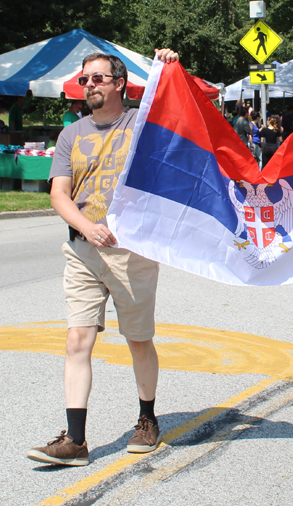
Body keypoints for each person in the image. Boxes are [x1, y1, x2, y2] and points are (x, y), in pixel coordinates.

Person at [27, 48, 179, 467]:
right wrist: (88, 226)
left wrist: (167, 64)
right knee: (79, 338)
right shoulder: (70, 135)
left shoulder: (140, 125)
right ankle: (75, 440)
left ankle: (147, 420)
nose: (89, 85)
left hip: (132, 254)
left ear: (119, 84)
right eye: (85, 80)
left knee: (138, 340)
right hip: (82, 249)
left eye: (98, 78)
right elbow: (59, 193)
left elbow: (172, 107)